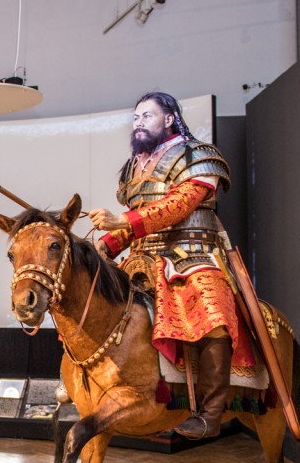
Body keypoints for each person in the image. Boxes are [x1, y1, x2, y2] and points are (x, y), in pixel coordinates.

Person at [88, 91, 254, 439]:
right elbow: (136, 220)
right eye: (136, 118)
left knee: (214, 317)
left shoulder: (199, 155)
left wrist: (121, 221)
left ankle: (210, 415)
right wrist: (106, 244)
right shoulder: (133, 167)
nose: (139, 123)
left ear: (169, 118)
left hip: (193, 254)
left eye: (147, 116)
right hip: (142, 257)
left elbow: (178, 205)